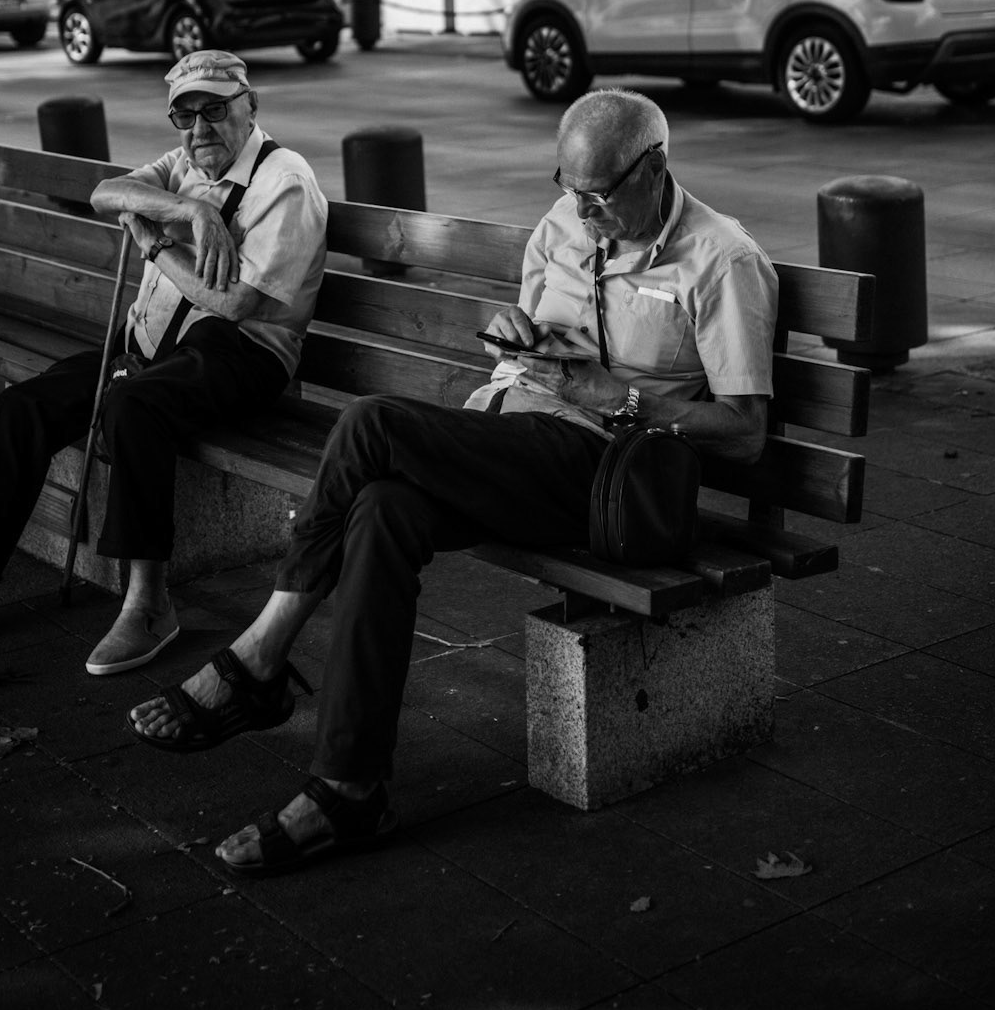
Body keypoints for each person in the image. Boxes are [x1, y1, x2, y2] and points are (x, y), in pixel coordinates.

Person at [127, 88, 777, 875]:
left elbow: (743, 433)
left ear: (655, 167)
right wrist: (519, 342)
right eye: (568, 191)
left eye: (598, 197)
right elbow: (532, 346)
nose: (582, 213)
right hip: (512, 441)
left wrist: (621, 395)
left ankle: (261, 656)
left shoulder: (722, 258)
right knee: (380, 509)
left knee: (371, 424)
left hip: (606, 472)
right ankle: (348, 787)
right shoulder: (562, 226)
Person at [0, 51, 327, 676]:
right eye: (186, 114)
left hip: (243, 354)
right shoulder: (184, 167)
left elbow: (235, 303)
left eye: (216, 110)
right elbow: (104, 193)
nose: (201, 127)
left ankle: (148, 602)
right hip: (154, 347)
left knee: (134, 404)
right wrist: (191, 211)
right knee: (23, 406)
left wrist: (151, 243)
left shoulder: (285, 179)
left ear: (250, 107)